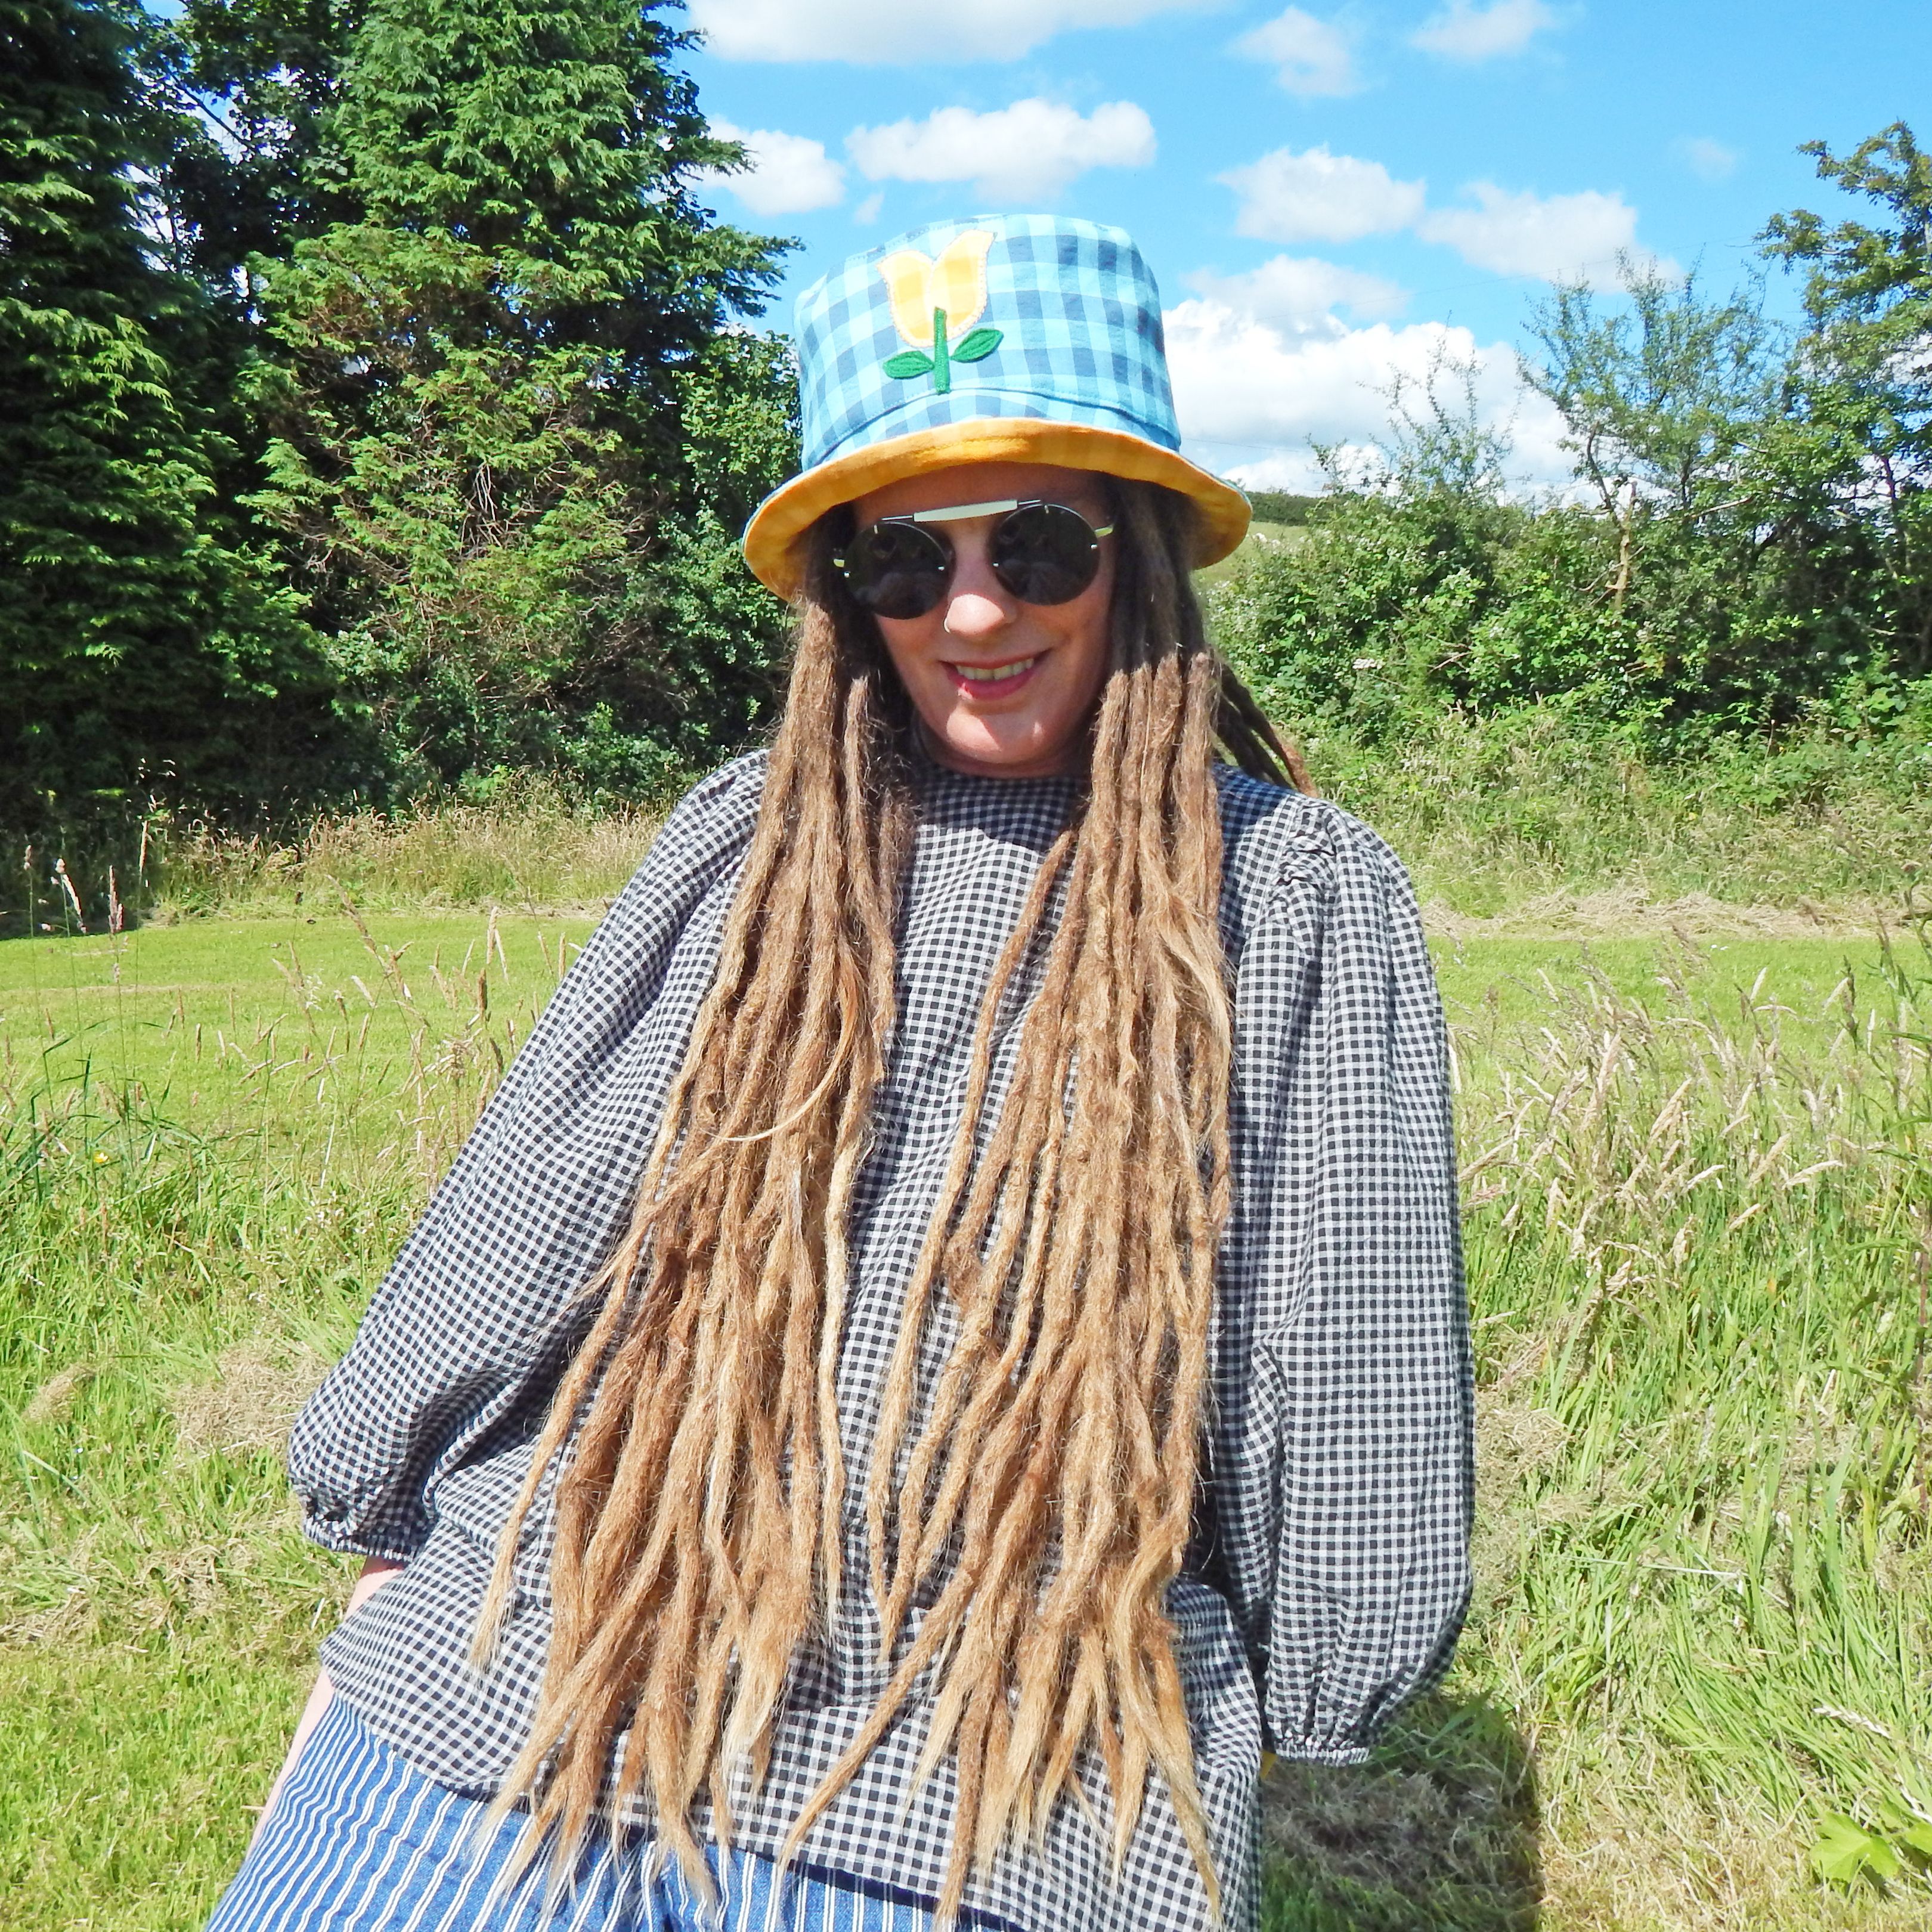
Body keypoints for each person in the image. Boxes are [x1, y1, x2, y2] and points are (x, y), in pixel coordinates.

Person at [208, 215, 1472, 1932]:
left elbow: (1341, 1363)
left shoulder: (1296, 899)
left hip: (996, 1781)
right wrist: (381, 1531)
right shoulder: (754, 843)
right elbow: (534, 1212)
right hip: (542, 1682)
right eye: (899, 566)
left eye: (1037, 548)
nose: (970, 611)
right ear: (840, 603)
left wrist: (1327, 1658)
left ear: (1145, 557)